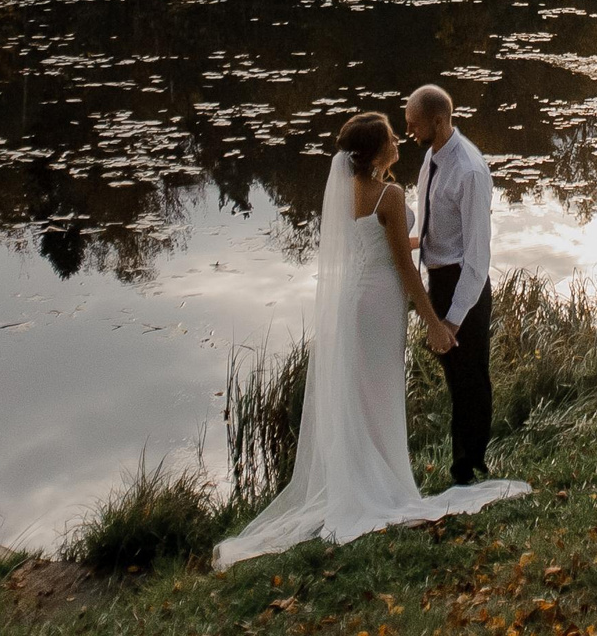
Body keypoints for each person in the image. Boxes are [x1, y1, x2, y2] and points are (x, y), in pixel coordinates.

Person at [212, 113, 527, 568]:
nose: (399, 139)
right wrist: (436, 323)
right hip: (381, 304)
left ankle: (358, 477)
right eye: (392, 137)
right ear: (379, 151)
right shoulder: (391, 193)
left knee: (359, 393)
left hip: (353, 301)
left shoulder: (348, 192)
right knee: (379, 392)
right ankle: (380, 487)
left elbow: (379, 244)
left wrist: (433, 242)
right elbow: (401, 265)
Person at [404, 82, 494, 487]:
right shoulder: (431, 157)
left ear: (438, 122)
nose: (407, 129)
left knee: (470, 379)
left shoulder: (470, 171)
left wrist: (454, 320)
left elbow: (477, 258)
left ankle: (468, 468)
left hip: (464, 285)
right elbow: (430, 227)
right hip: (437, 279)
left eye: (413, 122)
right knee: (456, 379)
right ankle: (466, 462)